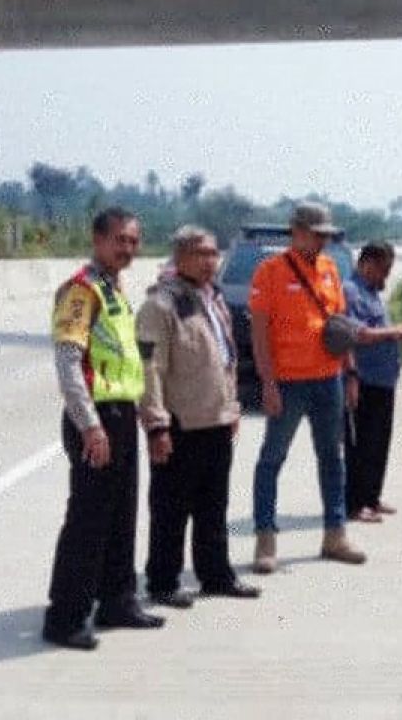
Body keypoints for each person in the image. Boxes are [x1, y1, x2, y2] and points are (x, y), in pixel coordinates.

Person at [42, 207, 163, 652]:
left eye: (133, 241)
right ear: (97, 240)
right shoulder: (81, 291)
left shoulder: (114, 289)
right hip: (96, 418)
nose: (128, 249)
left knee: (122, 516)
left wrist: (146, 415)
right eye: (120, 240)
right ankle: (65, 617)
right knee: (88, 522)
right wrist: (90, 425)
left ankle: (117, 600)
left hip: (121, 414)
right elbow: (69, 363)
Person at [136, 226, 262, 607]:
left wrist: (232, 406)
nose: (211, 261)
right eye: (201, 253)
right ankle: (163, 581)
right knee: (171, 510)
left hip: (216, 421)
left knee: (213, 507)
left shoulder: (213, 298)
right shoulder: (161, 305)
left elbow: (225, 358)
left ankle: (216, 575)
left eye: (213, 253)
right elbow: (149, 369)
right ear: (179, 257)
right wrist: (157, 425)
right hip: (180, 424)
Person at [249, 202, 367, 573]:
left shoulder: (331, 269)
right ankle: (265, 538)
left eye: (326, 236)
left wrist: (350, 373)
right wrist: (267, 383)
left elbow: (340, 327)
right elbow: (258, 334)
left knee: (332, 458)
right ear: (296, 231)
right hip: (287, 382)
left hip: (328, 379)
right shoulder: (269, 271)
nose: (322, 241)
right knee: (272, 458)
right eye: (316, 234)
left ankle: (335, 534)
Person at [342, 241, 402, 523]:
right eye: (383, 270)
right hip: (364, 379)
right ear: (367, 264)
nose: (386, 277)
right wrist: (393, 331)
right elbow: (355, 334)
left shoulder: (371, 293)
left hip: (383, 380)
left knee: (378, 443)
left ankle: (371, 497)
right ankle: (356, 503)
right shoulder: (351, 291)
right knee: (360, 445)